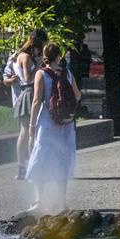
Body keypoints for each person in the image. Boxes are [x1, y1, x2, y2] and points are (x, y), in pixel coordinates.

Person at [25, 42, 81, 214]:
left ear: (44, 56)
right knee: (62, 160)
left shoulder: (41, 74)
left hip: (47, 123)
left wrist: (32, 125)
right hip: (65, 124)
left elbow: (36, 101)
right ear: (59, 56)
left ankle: (39, 200)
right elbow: (77, 96)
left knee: (40, 158)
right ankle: (62, 203)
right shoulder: (67, 73)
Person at [3, 29, 46, 180]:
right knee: (29, 131)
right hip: (28, 92)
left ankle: (22, 166)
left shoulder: (17, 56)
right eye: (39, 50)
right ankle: (30, 166)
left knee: (25, 132)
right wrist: (40, 66)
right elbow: (28, 78)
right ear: (34, 46)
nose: (39, 53)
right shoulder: (26, 57)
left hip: (24, 93)